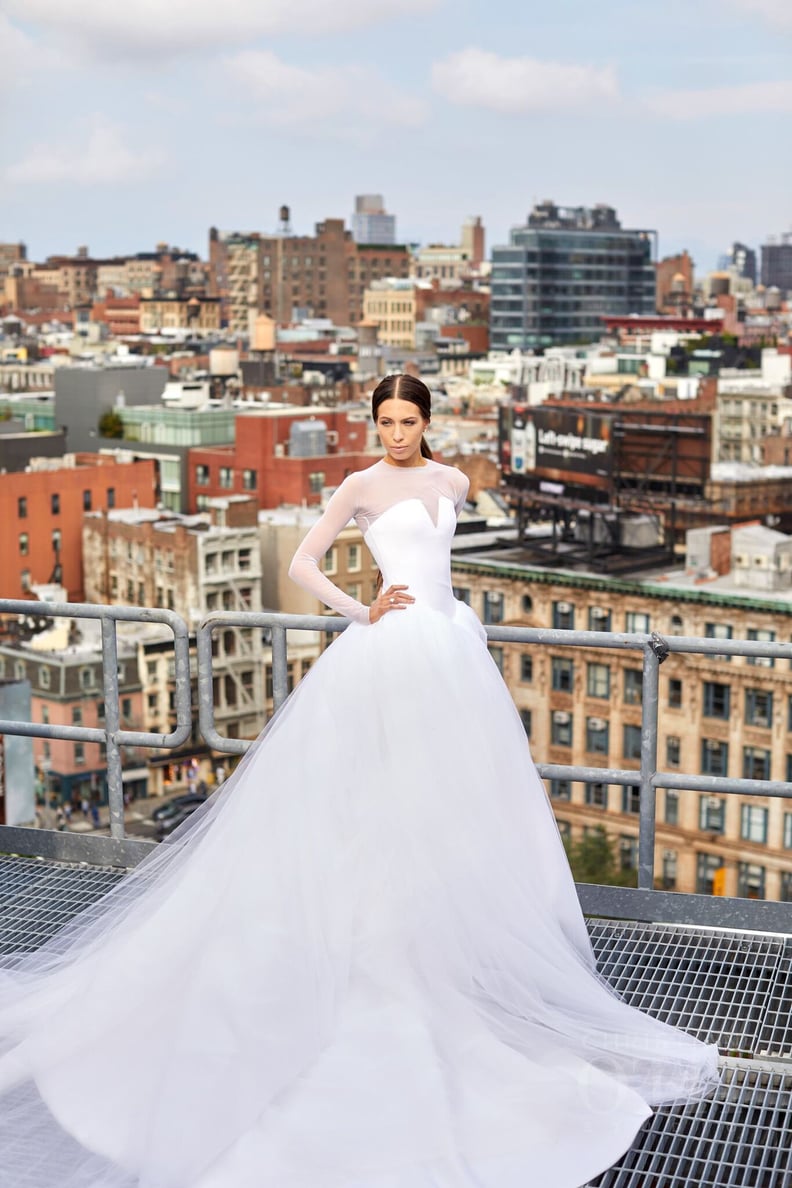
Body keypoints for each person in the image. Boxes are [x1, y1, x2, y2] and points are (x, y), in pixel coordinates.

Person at [0, 374, 718, 1188]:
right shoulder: (359, 484)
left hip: (452, 649)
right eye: (385, 421)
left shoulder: (453, 480)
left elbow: (444, 558)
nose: (396, 434)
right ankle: (380, 953)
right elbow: (305, 562)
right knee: (380, 803)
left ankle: (443, 946)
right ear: (372, 422)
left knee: (451, 809)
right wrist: (361, 609)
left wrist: (439, 615)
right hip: (397, 648)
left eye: (408, 421)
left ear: (427, 422)